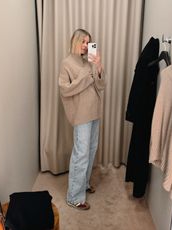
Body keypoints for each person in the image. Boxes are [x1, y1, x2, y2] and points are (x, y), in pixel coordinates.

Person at [58, 28, 106, 210]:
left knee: (91, 150)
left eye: (89, 43)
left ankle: (84, 184)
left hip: (95, 112)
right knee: (81, 154)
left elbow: (101, 86)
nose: (86, 46)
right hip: (81, 115)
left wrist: (99, 66)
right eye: (83, 42)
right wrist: (85, 77)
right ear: (75, 41)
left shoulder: (89, 62)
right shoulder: (66, 63)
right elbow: (65, 89)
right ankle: (74, 197)